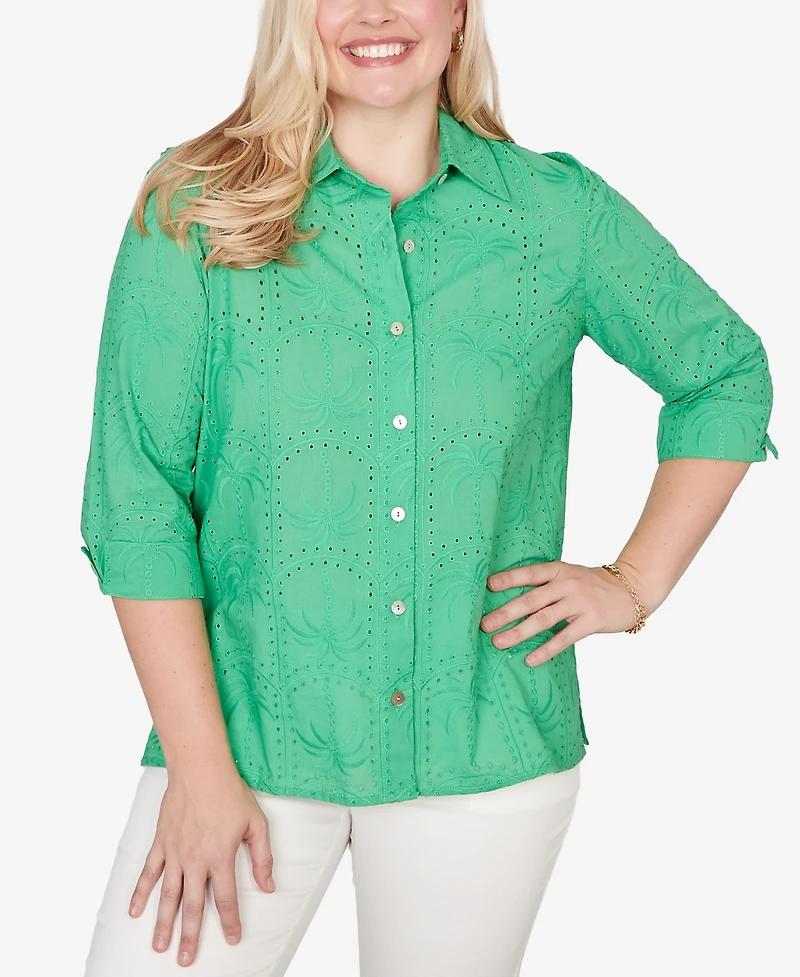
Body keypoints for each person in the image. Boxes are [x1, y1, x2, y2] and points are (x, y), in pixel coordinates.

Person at [79, 1, 779, 974]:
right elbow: (138, 500)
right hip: (244, 742)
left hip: (483, 747)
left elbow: (722, 371)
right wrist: (198, 772)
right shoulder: (193, 207)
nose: (375, 11)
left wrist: (632, 583)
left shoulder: (553, 214)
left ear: (455, 13)